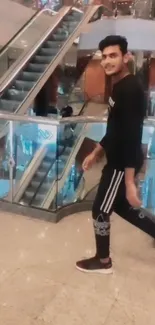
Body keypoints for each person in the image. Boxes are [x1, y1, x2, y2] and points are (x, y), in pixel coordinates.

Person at [76, 35, 146, 274]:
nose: (107, 61)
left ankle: (103, 261)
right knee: (124, 208)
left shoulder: (132, 90)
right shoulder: (119, 86)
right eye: (104, 56)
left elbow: (132, 136)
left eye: (113, 55)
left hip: (120, 164)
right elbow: (115, 128)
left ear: (125, 56)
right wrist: (96, 152)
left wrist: (128, 181)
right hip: (116, 159)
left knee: (100, 210)